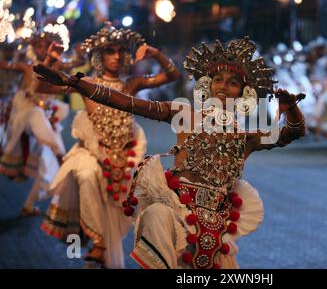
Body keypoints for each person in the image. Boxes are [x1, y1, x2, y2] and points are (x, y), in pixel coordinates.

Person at [33, 36, 306, 269]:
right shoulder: (183, 113)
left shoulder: (247, 135)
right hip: (176, 210)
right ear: (207, 86)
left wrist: (291, 108)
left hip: (217, 225)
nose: (223, 85)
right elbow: (128, 103)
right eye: (218, 79)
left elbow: (292, 133)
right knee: (155, 215)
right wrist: (77, 83)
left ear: (243, 93)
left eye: (233, 82)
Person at [39, 23, 181, 269]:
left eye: (120, 51)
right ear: (99, 55)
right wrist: (54, 62)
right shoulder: (86, 82)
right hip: (93, 153)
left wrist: (155, 54)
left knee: (119, 215)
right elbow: (42, 86)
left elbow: (172, 76)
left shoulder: (132, 84)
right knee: (84, 174)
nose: (116, 56)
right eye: (109, 51)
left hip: (125, 159)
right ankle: (98, 241)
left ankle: (103, 248)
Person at [0, 30, 73, 216]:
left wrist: (81, 55)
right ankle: (58, 151)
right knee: (35, 113)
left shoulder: (58, 66)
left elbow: (76, 63)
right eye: (39, 46)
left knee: (47, 167)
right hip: (26, 118)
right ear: (33, 47)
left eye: (46, 45)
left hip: (47, 120)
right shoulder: (27, 67)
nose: (42, 49)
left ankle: (29, 205)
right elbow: (7, 64)